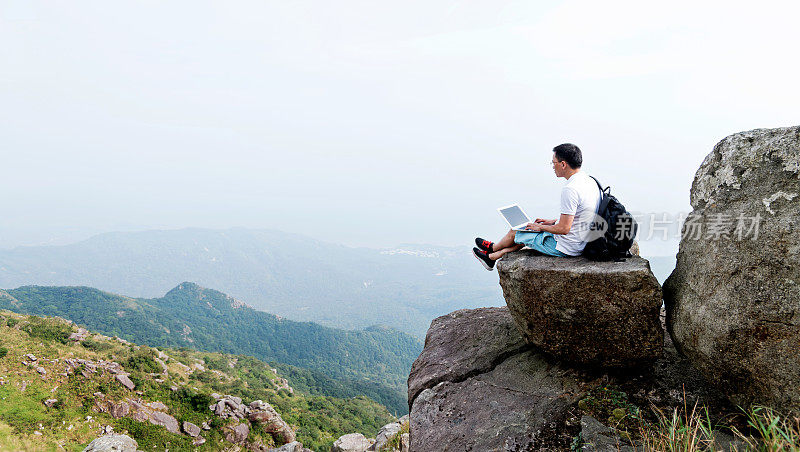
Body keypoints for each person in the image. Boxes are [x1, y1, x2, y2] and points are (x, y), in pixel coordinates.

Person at [473, 143, 601, 270]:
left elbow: (564, 228)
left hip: (566, 247)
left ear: (563, 164)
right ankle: (493, 255)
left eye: (553, 163)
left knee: (517, 231)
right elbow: (580, 216)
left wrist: (541, 227)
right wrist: (552, 222)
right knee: (528, 232)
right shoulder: (589, 181)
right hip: (580, 241)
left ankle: (492, 250)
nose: (553, 167)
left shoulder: (570, 189)